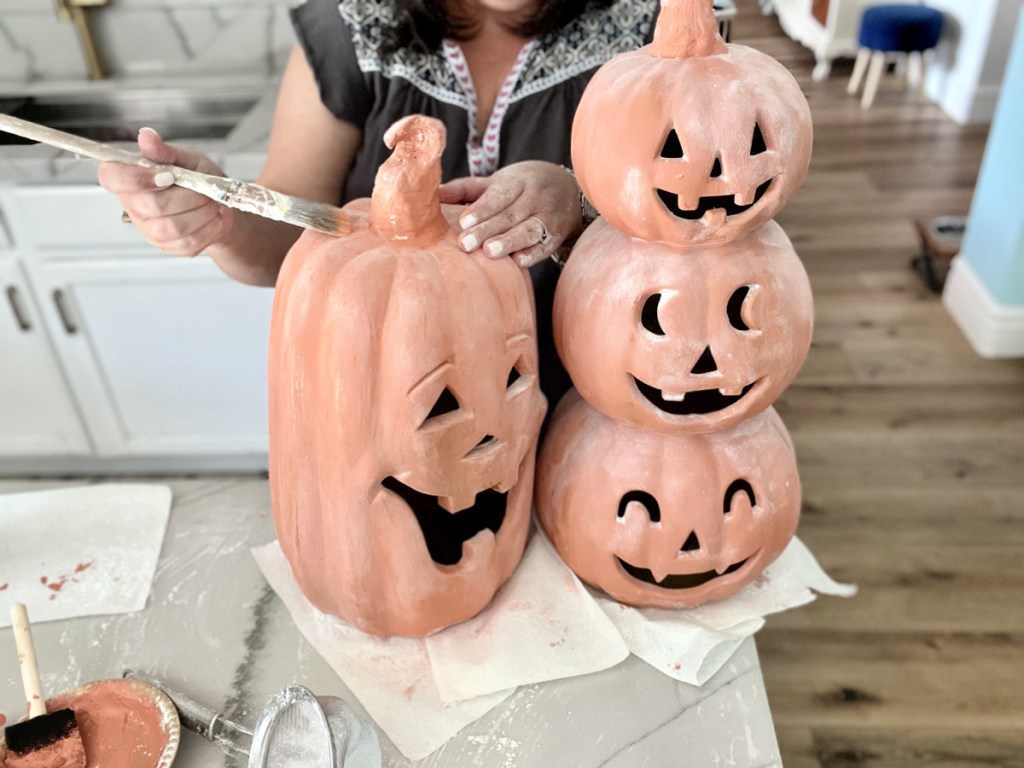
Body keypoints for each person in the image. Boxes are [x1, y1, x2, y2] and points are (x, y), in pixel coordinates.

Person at [98, 0, 659, 407]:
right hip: (386, 404)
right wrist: (221, 218)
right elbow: (288, 243)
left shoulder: (654, 34)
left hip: (596, 400)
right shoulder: (352, 27)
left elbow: (717, 234)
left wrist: (582, 204)